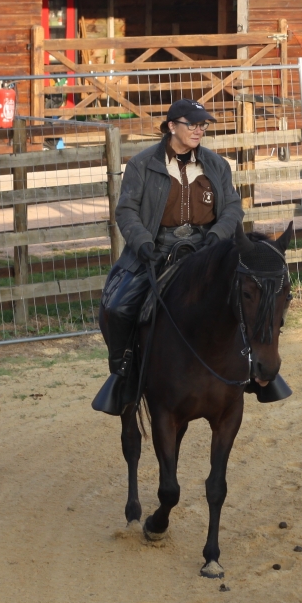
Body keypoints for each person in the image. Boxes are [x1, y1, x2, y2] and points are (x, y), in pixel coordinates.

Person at [93, 99, 247, 415]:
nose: (199, 130)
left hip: (207, 249)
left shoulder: (217, 165)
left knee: (250, 297)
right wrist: (142, 242)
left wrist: (218, 237)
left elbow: (232, 206)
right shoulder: (142, 164)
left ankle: (259, 370)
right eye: (192, 124)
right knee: (118, 307)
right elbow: (126, 210)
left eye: (203, 125)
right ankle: (124, 373)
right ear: (172, 126)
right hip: (156, 249)